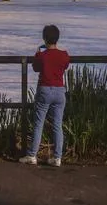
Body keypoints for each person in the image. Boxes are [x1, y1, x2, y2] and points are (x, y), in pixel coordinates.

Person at [19, 25, 70, 167]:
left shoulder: (42, 56)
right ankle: (57, 158)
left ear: (44, 38)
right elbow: (65, 65)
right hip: (60, 91)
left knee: (38, 123)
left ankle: (32, 155)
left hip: (45, 90)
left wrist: (37, 54)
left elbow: (36, 68)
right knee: (57, 125)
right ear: (57, 39)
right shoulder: (64, 55)